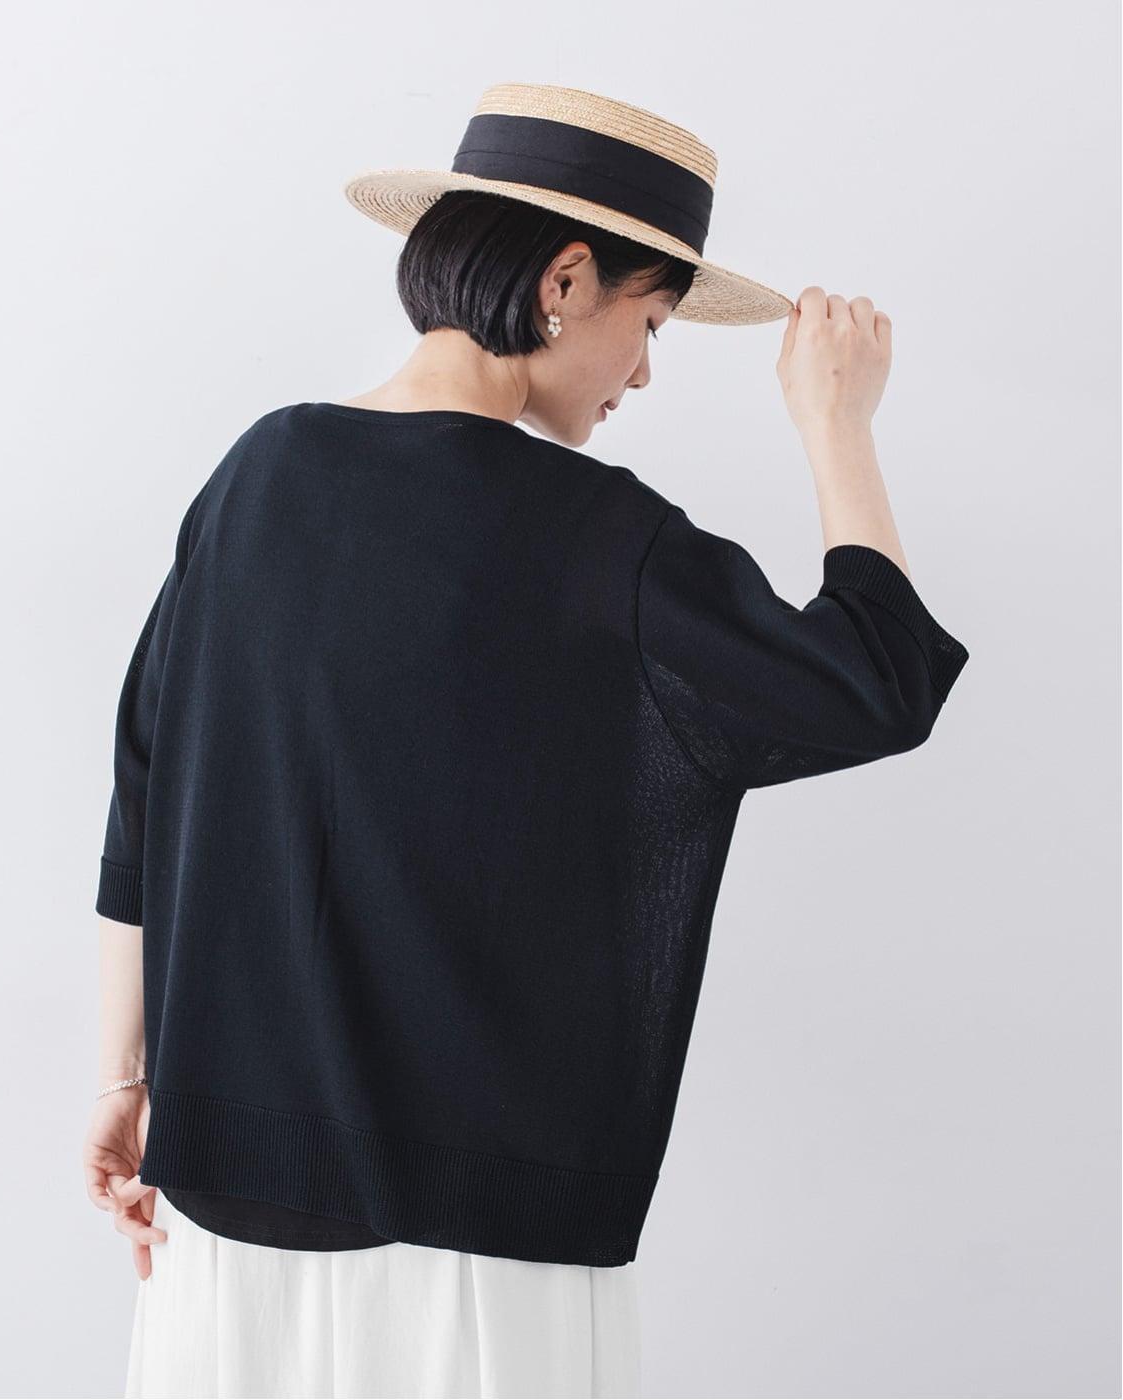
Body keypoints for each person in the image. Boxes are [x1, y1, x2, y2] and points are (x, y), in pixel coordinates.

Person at [82, 81, 970, 1398]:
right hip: (482, 1241)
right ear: (566, 280)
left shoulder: (259, 475)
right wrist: (836, 424)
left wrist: (124, 1081)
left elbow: (144, 787)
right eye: (650, 324)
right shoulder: (605, 542)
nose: (645, 373)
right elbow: (875, 683)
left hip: (223, 1209)